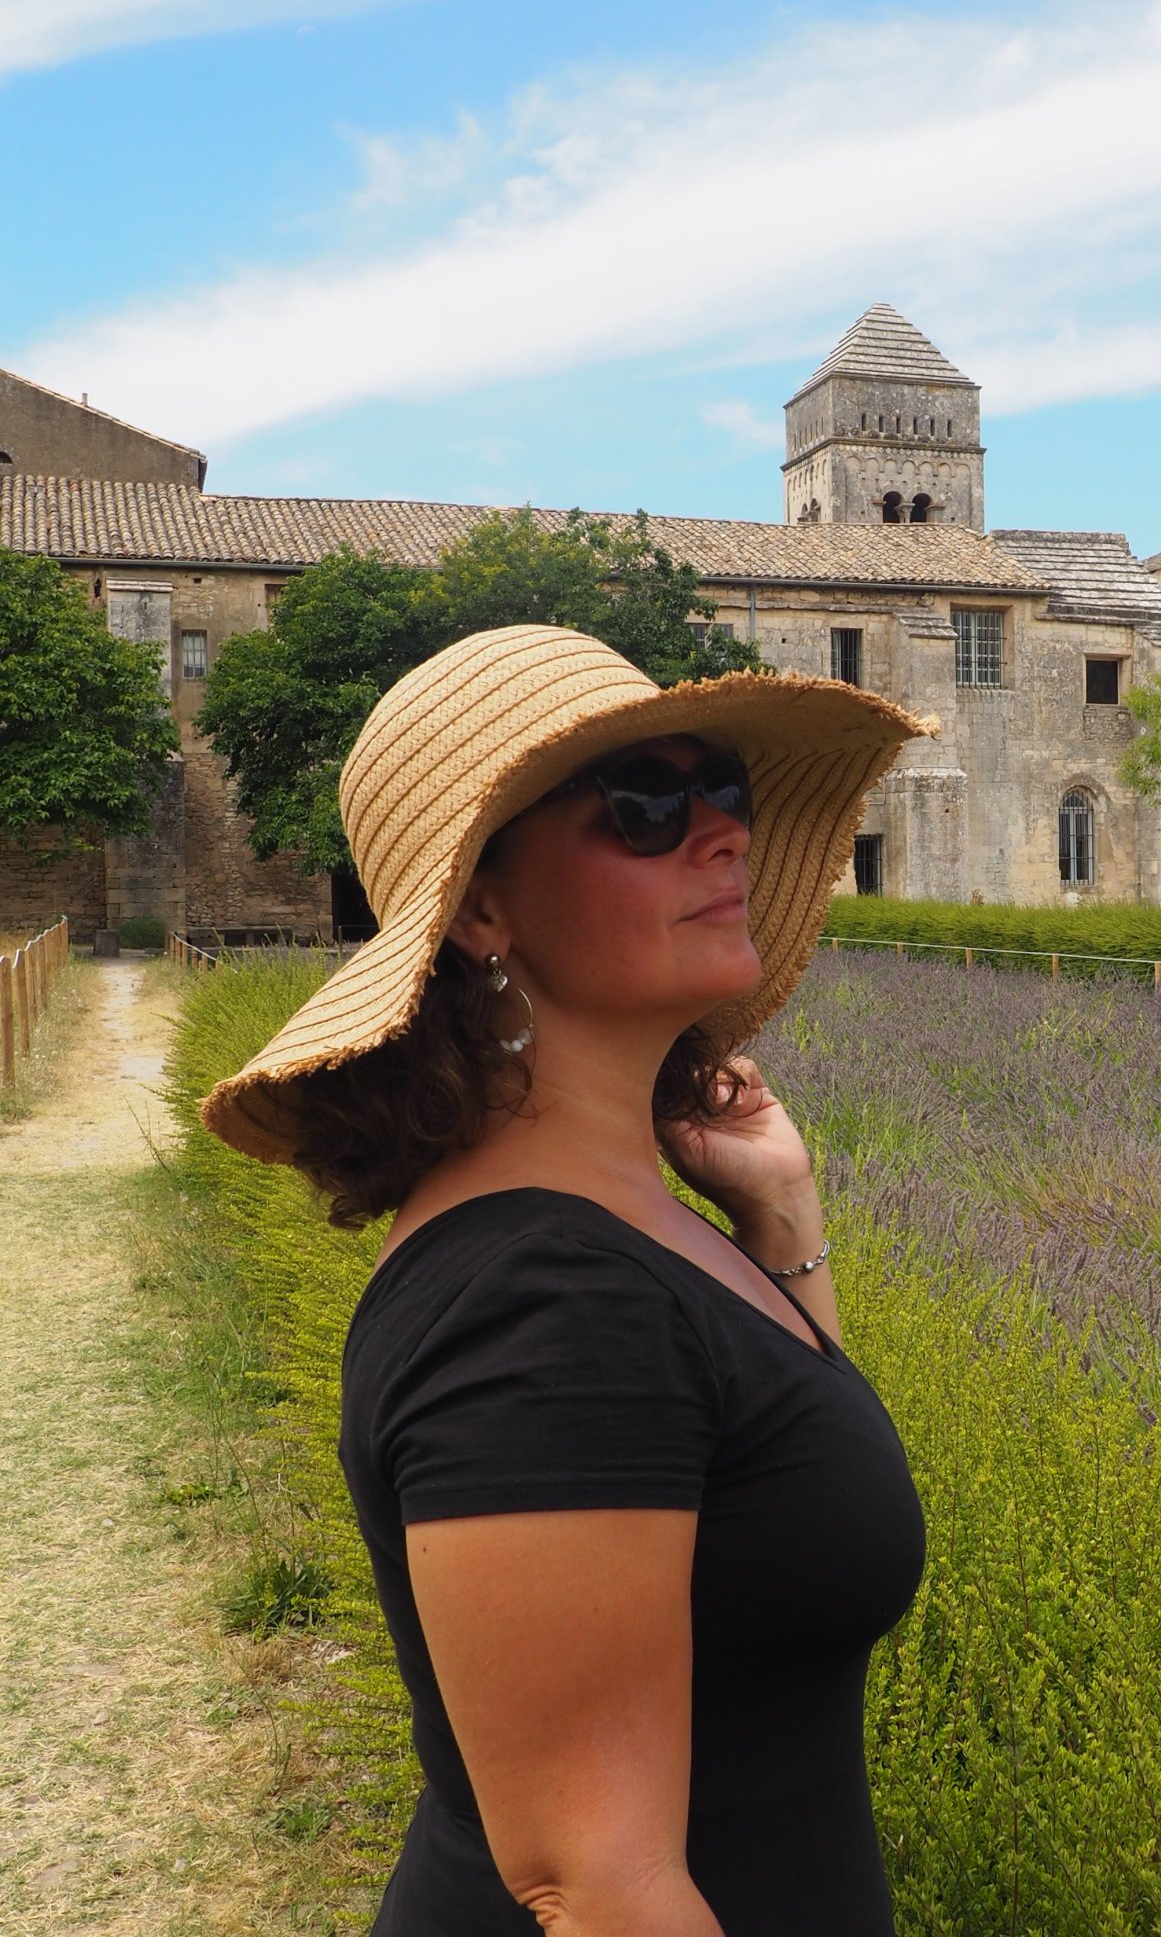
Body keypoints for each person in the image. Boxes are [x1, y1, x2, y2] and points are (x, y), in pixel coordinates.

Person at [200, 624, 933, 1935]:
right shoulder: (545, 1300)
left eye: (724, 791)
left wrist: (779, 1211)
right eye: (646, 804)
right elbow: (595, 1885)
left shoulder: (622, 1227)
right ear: (481, 910)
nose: (723, 833)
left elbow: (776, 1491)